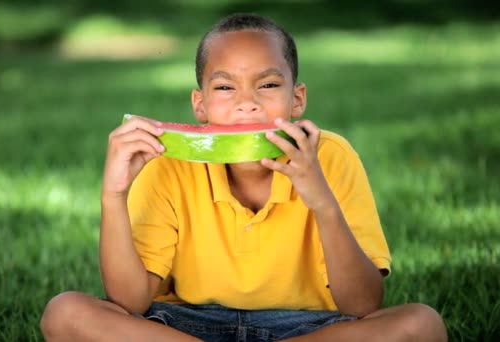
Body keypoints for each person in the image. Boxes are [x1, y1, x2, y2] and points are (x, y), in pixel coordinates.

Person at [40, 13, 448, 341]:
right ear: (199, 106)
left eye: (268, 84)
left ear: (297, 99)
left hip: (307, 328)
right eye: (224, 88)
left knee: (421, 325)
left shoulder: (331, 157)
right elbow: (129, 303)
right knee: (65, 313)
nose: (247, 104)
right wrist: (113, 195)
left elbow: (363, 305)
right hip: (185, 326)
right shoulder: (166, 162)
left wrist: (321, 200)